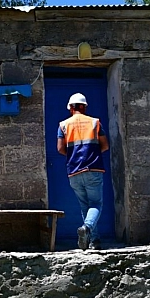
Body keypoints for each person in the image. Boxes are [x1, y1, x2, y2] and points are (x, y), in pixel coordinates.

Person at [57, 93, 109, 251]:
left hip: (74, 171)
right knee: (96, 204)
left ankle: (94, 241)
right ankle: (87, 228)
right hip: (93, 169)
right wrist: (91, 154)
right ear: (84, 107)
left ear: (70, 108)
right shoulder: (95, 122)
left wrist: (73, 156)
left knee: (85, 206)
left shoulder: (63, 125)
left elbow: (60, 149)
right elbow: (105, 145)